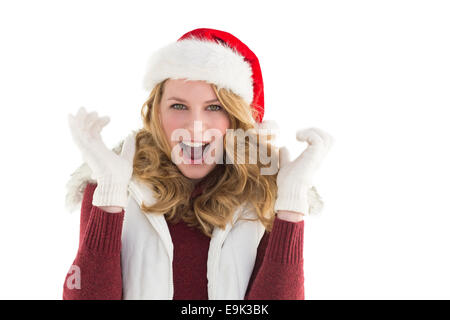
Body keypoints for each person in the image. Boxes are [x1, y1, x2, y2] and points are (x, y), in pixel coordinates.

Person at [62, 28, 334, 300]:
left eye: (215, 107)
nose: (194, 127)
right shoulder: (113, 183)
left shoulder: (264, 194)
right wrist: (109, 199)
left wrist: (291, 207)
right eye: (178, 106)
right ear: (157, 113)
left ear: (237, 120)